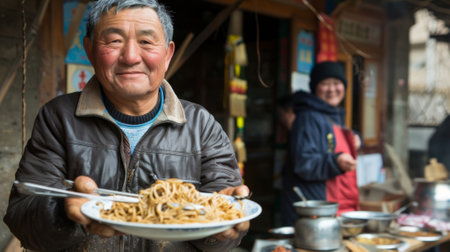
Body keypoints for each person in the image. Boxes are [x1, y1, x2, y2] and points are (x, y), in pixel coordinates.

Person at [3, 1, 250, 251]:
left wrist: (221, 228)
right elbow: (22, 216)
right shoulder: (59, 118)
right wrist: (64, 214)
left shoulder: (201, 126)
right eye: (113, 41)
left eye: (146, 42)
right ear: (89, 50)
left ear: (167, 54)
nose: (131, 57)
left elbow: (227, 223)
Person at [280, 61, 361, 226]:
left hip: (328, 208)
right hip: (310, 211)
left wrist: (356, 139)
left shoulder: (331, 115)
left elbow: (328, 145)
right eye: (325, 84)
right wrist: (336, 161)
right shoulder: (308, 117)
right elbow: (304, 163)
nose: (332, 89)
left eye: (337, 83)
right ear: (315, 87)